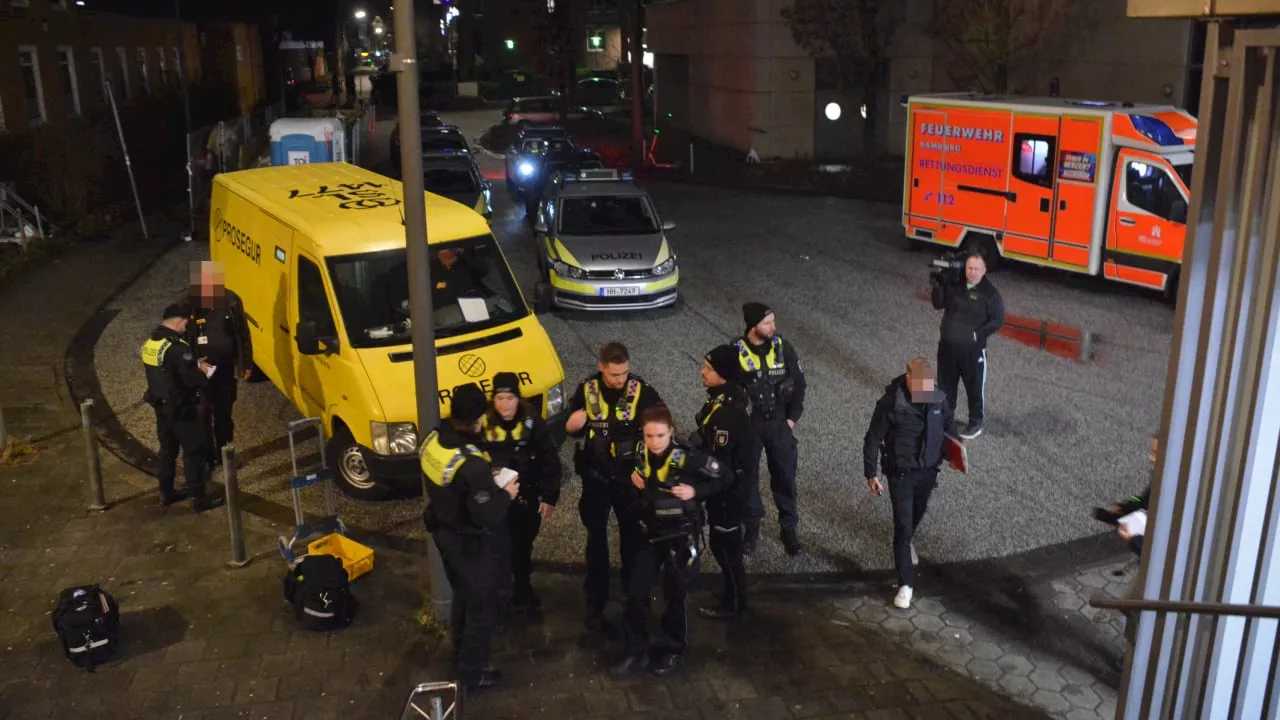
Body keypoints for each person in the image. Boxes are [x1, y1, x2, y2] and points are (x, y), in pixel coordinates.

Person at [615, 406, 733, 677]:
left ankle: (673, 649)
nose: (654, 442)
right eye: (649, 436)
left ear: (671, 432)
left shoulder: (689, 458)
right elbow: (621, 480)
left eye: (660, 435)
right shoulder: (638, 454)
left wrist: (696, 491)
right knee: (635, 591)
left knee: (675, 595)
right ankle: (636, 651)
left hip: (679, 536)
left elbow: (726, 477)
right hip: (648, 534)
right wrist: (631, 481)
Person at [420, 383, 520, 694]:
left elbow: (451, 484)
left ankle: (459, 650)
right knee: (481, 607)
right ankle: (472, 675)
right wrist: (506, 493)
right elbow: (486, 514)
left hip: (443, 531)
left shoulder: (433, 439)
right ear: (478, 418)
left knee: (463, 593)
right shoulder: (472, 463)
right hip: (467, 542)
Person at [565, 342, 665, 631]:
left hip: (628, 481)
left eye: (623, 374)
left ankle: (633, 599)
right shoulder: (587, 390)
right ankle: (595, 603)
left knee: (632, 542)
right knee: (596, 543)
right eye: (613, 375)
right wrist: (573, 424)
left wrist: (644, 472)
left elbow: (661, 431)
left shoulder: (641, 392)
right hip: (596, 480)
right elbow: (571, 428)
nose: (619, 380)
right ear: (601, 367)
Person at [862, 357, 957, 610]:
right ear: (908, 380)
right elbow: (873, 438)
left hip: (928, 473)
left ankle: (906, 544)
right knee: (903, 527)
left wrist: (956, 452)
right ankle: (906, 584)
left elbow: (948, 425)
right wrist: (871, 473)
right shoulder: (892, 403)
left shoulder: (938, 398)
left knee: (916, 516)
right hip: (901, 474)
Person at [481, 372, 563, 617]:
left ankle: (523, 594)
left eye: (510, 398)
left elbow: (550, 460)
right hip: (496, 502)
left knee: (523, 548)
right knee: (498, 552)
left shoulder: (531, 423)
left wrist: (550, 497)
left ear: (518, 399)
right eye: (500, 398)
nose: (505, 404)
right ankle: (502, 602)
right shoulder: (484, 424)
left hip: (525, 499)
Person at [692, 345, 758, 621]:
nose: (702, 372)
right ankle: (732, 593)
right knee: (725, 545)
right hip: (730, 485)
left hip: (728, 491)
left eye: (708, 368)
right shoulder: (725, 398)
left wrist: (693, 466)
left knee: (725, 547)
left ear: (724, 374)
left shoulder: (726, 414)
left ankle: (734, 602)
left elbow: (719, 461)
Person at [736, 302, 807, 556]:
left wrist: (791, 419)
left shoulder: (782, 347)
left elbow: (799, 384)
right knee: (747, 478)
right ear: (753, 325)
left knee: (785, 477)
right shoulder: (736, 351)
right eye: (767, 323)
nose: (773, 327)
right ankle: (751, 529)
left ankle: (788, 529)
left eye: (773, 321)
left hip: (778, 422)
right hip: (750, 424)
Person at [140, 302, 221, 512]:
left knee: (167, 451)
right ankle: (198, 499)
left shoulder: (151, 343)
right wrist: (202, 370)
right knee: (193, 452)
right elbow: (192, 379)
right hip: (182, 409)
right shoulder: (177, 347)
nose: (186, 327)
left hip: (161, 407)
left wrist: (190, 364)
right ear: (177, 322)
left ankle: (166, 493)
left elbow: (166, 370)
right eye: (185, 323)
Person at [186, 261, 253, 469]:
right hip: (200, 371)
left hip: (224, 370)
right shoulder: (189, 305)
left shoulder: (230, 300)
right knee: (202, 414)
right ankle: (207, 458)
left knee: (224, 413)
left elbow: (242, 334)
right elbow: (180, 341)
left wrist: (245, 363)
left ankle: (225, 454)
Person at [930, 253, 1004, 440]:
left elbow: (997, 320)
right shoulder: (955, 284)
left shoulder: (990, 294)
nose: (971, 272)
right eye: (969, 268)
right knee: (946, 386)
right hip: (948, 348)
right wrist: (938, 285)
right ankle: (947, 419)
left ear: (984, 270)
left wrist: (976, 335)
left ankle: (975, 422)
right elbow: (937, 304)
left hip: (972, 352)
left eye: (976, 269)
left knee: (974, 388)